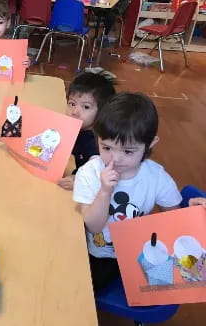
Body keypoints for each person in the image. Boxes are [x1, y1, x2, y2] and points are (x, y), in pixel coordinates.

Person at [73, 93, 183, 292]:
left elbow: (175, 217)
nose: (116, 159)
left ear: (150, 144)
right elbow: (94, 226)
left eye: (128, 151)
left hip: (137, 253)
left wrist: (193, 214)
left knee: (157, 289)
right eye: (106, 147)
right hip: (98, 255)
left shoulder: (156, 177)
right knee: (80, 290)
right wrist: (105, 191)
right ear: (97, 138)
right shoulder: (89, 173)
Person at [57, 72, 116, 191]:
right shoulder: (77, 127)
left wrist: (78, 179)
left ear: (102, 112)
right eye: (72, 104)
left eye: (86, 107)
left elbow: (97, 171)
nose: (75, 111)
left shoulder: (97, 142)